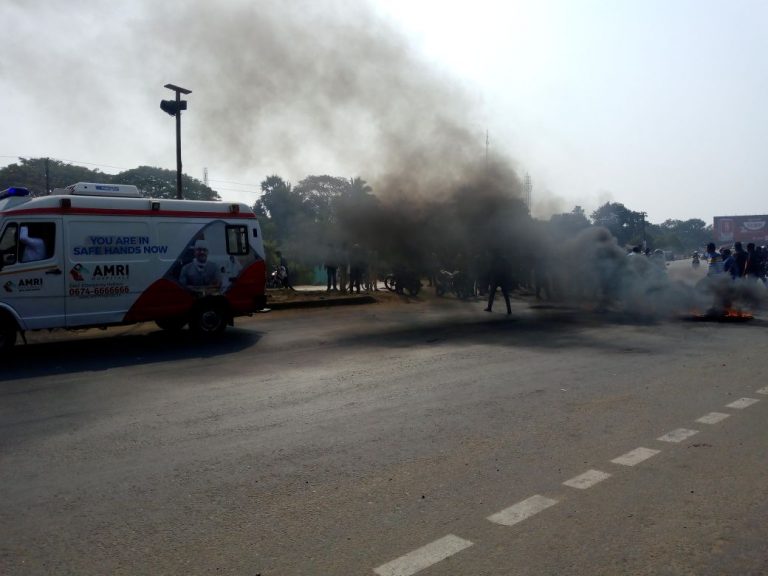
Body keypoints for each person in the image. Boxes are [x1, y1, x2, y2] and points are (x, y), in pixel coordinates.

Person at [484, 250, 512, 314]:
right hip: (503, 278)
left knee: (492, 294)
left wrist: (489, 277)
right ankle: (509, 310)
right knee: (506, 295)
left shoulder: (494, 260)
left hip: (495, 278)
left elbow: (491, 269)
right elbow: (509, 268)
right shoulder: (504, 260)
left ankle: (489, 307)